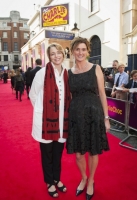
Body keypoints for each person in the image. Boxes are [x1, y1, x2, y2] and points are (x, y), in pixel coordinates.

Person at [66, 37, 110, 200]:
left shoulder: (95, 68)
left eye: (83, 49)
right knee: (78, 154)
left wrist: (106, 118)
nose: (80, 52)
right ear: (72, 51)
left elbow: (102, 94)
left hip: (94, 114)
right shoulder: (69, 72)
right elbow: (69, 96)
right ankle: (83, 178)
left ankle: (91, 180)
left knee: (92, 150)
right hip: (76, 116)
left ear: (87, 51)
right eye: (77, 49)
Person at [29, 43, 70, 198]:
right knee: (47, 153)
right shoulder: (42, 73)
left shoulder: (67, 72)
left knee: (58, 153)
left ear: (63, 54)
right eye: (52, 54)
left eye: (58, 52)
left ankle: (56, 179)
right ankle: (49, 182)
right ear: (49, 56)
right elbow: (33, 95)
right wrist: (43, 111)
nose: (56, 56)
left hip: (62, 123)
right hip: (46, 122)